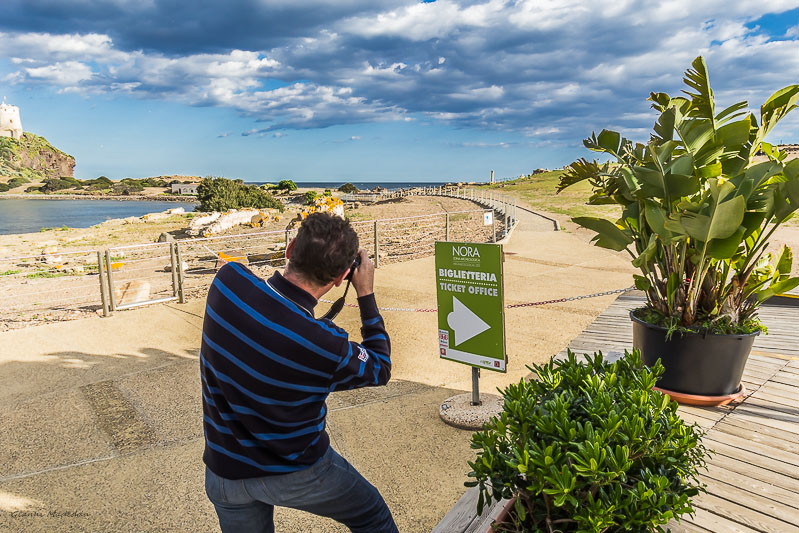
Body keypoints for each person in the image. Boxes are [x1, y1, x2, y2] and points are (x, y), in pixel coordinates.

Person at [201, 212, 397, 533]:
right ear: (341, 278)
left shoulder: (228, 283)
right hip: (295, 473)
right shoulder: (325, 345)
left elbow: (262, 296)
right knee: (371, 513)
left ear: (291, 248)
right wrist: (365, 293)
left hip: (224, 473)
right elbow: (379, 367)